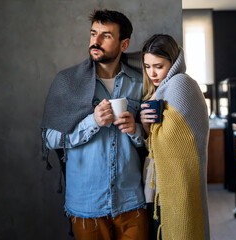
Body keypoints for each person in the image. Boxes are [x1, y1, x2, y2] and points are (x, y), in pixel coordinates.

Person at [41, 9, 148, 240]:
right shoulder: (67, 81)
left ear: (124, 44)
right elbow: (49, 138)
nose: (95, 41)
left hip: (132, 202)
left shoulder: (141, 83)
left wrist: (136, 130)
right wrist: (92, 122)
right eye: (93, 34)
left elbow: (155, 138)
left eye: (106, 36)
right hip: (86, 205)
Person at [140, 34, 210, 240]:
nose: (152, 73)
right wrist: (145, 124)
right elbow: (154, 141)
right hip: (161, 183)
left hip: (181, 180)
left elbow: (176, 139)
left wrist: (149, 127)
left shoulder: (181, 84)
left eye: (158, 66)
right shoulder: (160, 90)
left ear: (173, 62)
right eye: (147, 66)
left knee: (183, 228)